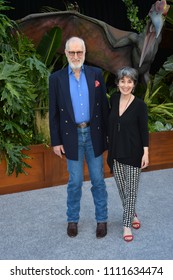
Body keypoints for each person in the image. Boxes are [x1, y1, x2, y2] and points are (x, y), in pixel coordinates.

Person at [49, 36, 109, 238]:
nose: (76, 56)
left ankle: (101, 220)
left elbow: (105, 109)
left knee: (98, 180)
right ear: (66, 53)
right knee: (74, 182)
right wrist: (56, 141)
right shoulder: (56, 79)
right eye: (72, 52)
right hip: (71, 136)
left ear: (84, 53)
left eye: (79, 52)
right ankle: (72, 220)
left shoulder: (96, 74)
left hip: (94, 135)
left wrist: (108, 136)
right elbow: (54, 112)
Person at [107, 66, 149, 242]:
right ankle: (133, 213)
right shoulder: (114, 99)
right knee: (122, 189)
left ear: (134, 84)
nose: (125, 85)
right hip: (116, 151)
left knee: (131, 191)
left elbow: (144, 130)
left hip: (133, 152)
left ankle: (126, 225)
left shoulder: (140, 105)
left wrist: (146, 152)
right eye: (122, 81)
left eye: (129, 81)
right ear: (117, 84)